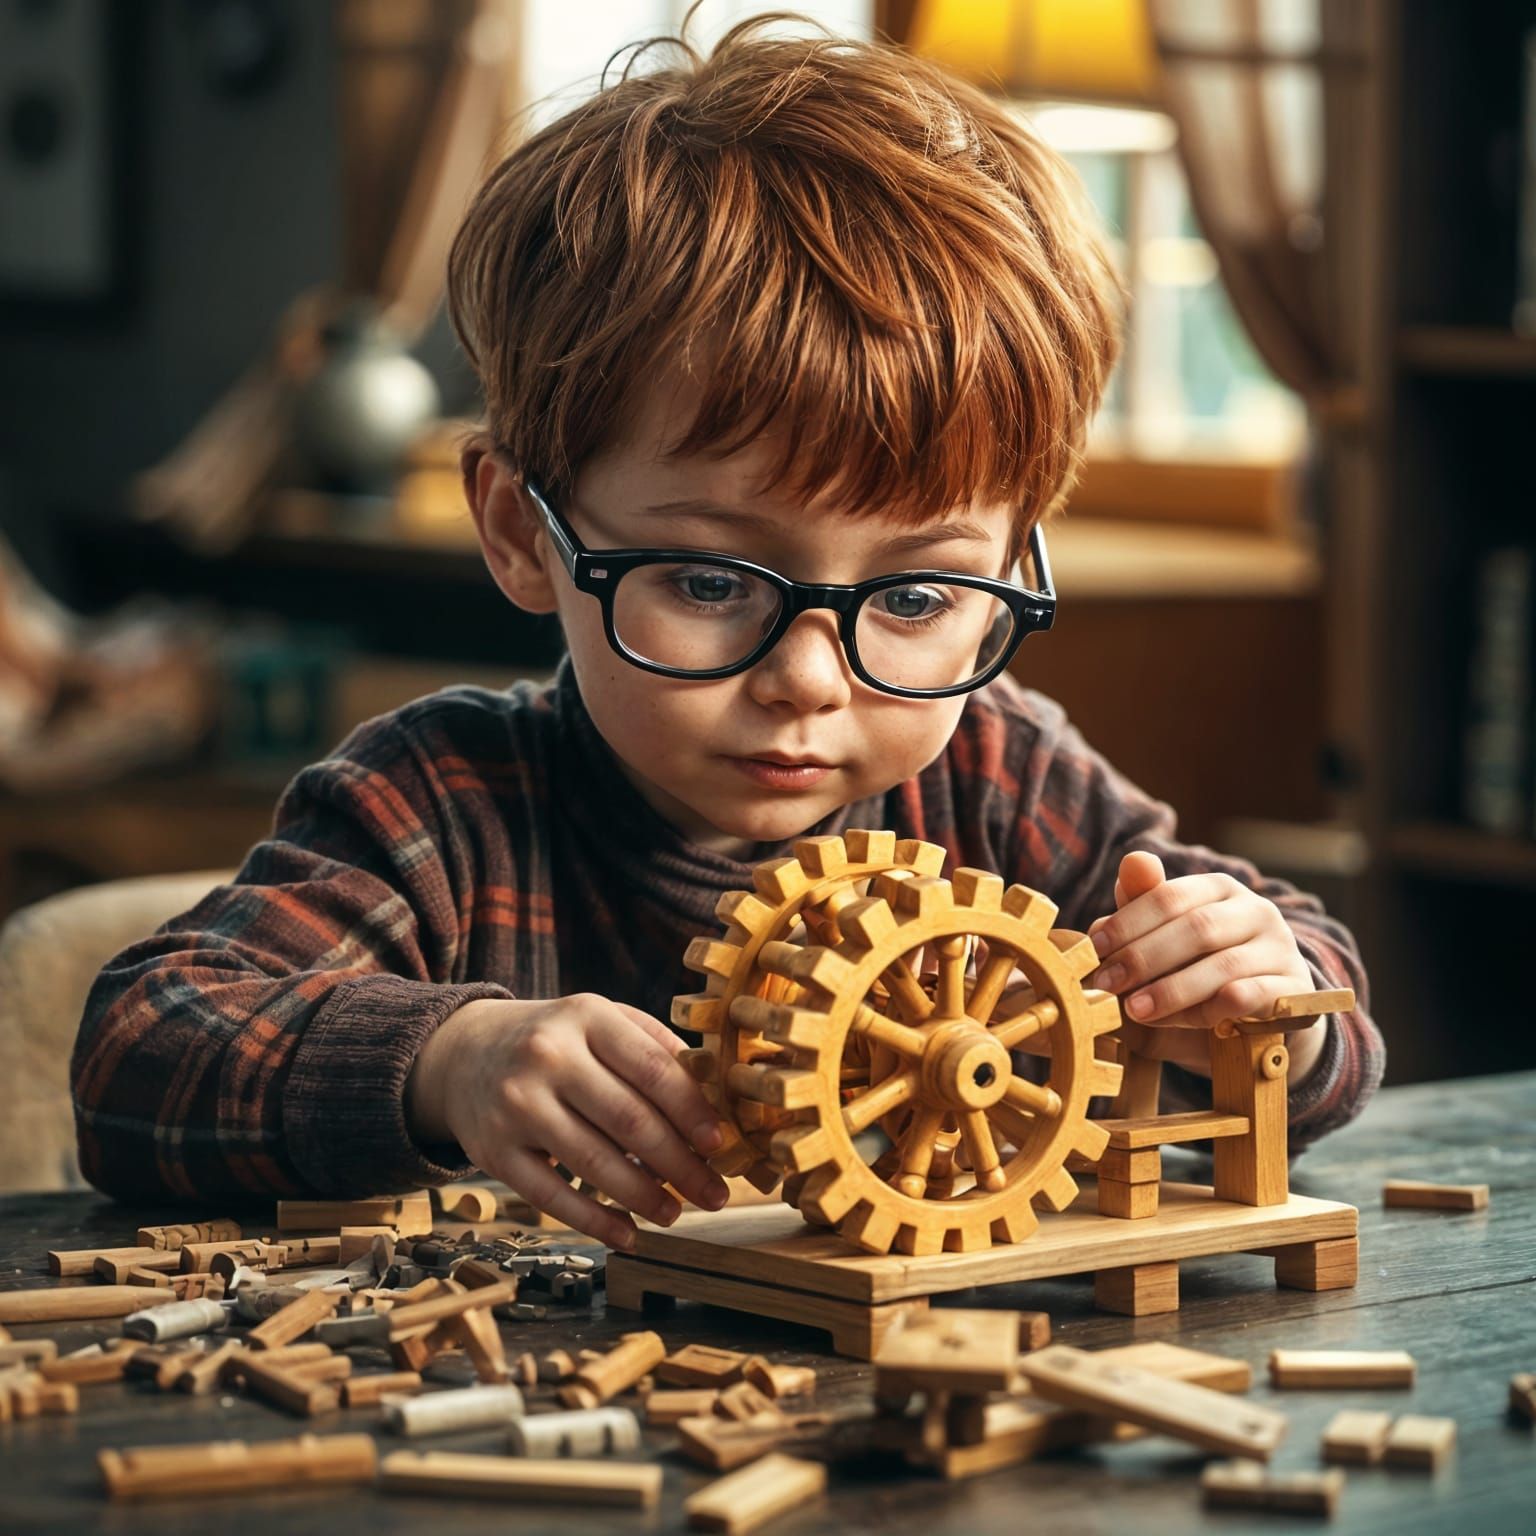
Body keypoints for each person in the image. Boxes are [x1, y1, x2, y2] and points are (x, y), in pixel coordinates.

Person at [72, 16, 1382, 1246]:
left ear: (1012, 558)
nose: (808, 680)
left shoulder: (994, 773)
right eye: (708, 584)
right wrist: (447, 1061)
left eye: (918, 597)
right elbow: (138, 1055)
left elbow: (1313, 1003)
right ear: (528, 533)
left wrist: (1268, 1003)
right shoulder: (443, 808)